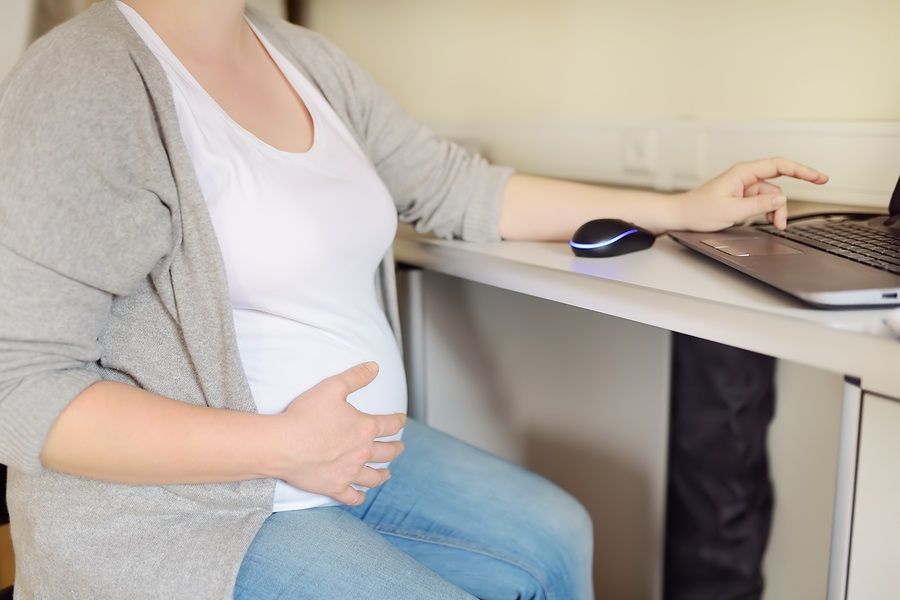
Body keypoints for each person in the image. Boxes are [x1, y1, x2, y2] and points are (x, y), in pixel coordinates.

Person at [0, 0, 829, 598]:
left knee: (555, 537)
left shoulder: (297, 57)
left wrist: (681, 209)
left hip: (345, 457)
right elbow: (22, 390)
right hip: (191, 511)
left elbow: (456, 189)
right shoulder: (89, 80)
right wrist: (280, 449)